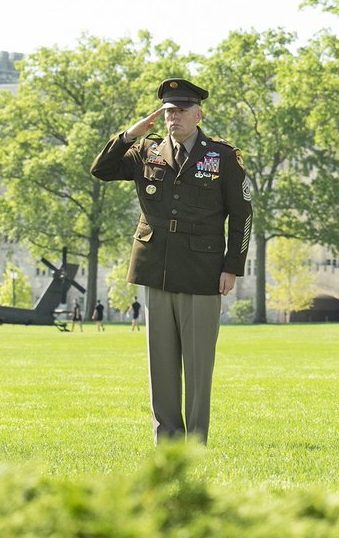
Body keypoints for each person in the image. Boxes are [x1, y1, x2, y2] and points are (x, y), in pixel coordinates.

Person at [91, 77, 252, 443]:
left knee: (198, 366)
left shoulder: (222, 156)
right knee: (161, 365)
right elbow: (100, 169)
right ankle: (168, 440)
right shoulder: (146, 151)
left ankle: (195, 440)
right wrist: (131, 134)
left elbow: (242, 215)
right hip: (156, 267)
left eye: (179, 111)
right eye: (167, 112)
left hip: (202, 271)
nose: (172, 118)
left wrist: (232, 266)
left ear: (198, 114)